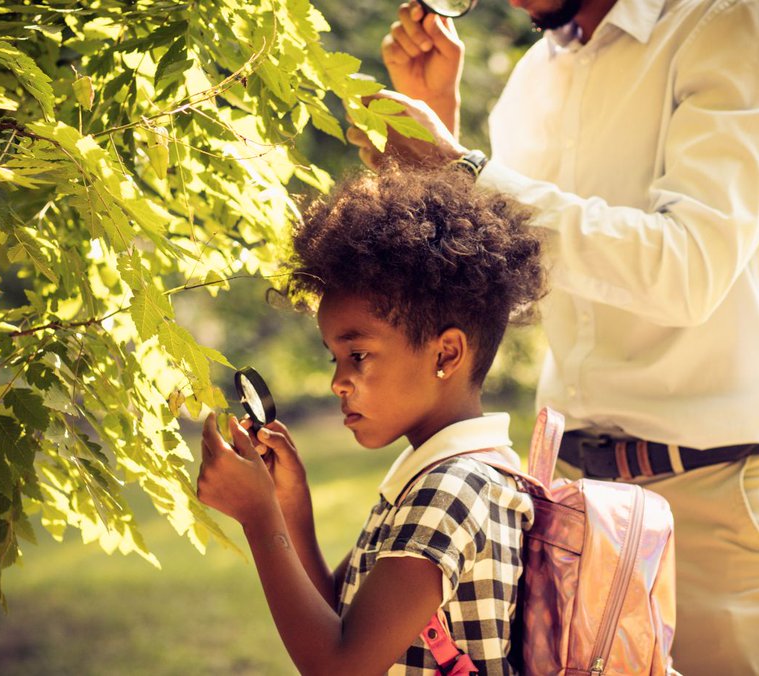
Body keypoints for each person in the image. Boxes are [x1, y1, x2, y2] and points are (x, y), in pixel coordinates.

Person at [349, 0, 759, 673]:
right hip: (576, 512)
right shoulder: (532, 77)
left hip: (725, 506)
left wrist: (464, 170)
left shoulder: (745, 21)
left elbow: (685, 271)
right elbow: (523, 283)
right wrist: (443, 147)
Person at [195, 167, 546, 674]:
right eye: (333, 358)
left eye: (357, 355)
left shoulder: (450, 489)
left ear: (445, 353)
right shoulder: (435, 474)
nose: (338, 382)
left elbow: (339, 667)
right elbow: (341, 620)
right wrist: (288, 505)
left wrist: (258, 517)